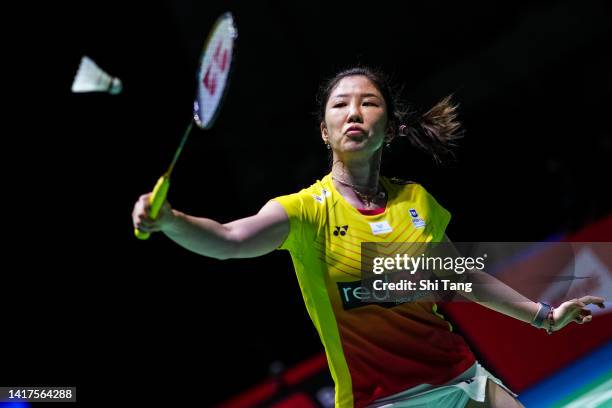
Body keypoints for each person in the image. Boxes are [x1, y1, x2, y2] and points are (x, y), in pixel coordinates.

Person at [132, 67, 606, 408]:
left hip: (461, 381)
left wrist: (544, 315)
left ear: (391, 128)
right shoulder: (305, 211)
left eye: (368, 102)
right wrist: (172, 220)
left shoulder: (415, 201)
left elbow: (461, 278)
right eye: (340, 105)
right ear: (325, 131)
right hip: (377, 401)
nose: (353, 112)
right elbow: (231, 239)